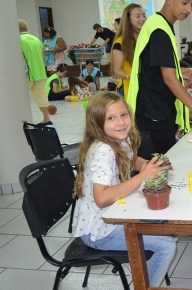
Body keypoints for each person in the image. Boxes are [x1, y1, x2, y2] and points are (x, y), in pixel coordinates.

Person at [72, 92, 177, 288]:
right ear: (97, 123)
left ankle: (141, 268)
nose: (120, 122)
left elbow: (130, 160)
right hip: (100, 230)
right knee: (166, 245)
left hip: (114, 215)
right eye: (111, 118)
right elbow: (102, 198)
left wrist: (149, 165)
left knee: (167, 224)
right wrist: (142, 177)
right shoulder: (103, 150)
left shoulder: (120, 139)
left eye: (124, 115)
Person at [126, 0, 192, 158]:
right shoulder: (160, 31)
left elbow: (155, 67)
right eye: (185, 2)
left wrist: (180, 70)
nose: (188, 9)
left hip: (156, 108)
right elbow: (168, 77)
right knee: (159, 168)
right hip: (154, 112)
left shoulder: (158, 24)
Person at [19, 19, 51, 125]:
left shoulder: (18, 39)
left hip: (26, 75)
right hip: (39, 73)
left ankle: (20, 120)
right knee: (41, 97)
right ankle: (46, 119)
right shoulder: (36, 39)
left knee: (20, 99)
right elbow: (42, 56)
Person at [112, 3, 147, 100]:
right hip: (129, 89)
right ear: (129, 20)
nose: (143, 19)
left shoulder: (146, 39)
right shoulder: (120, 42)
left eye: (144, 15)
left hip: (146, 88)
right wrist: (131, 76)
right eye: (138, 16)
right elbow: (117, 70)